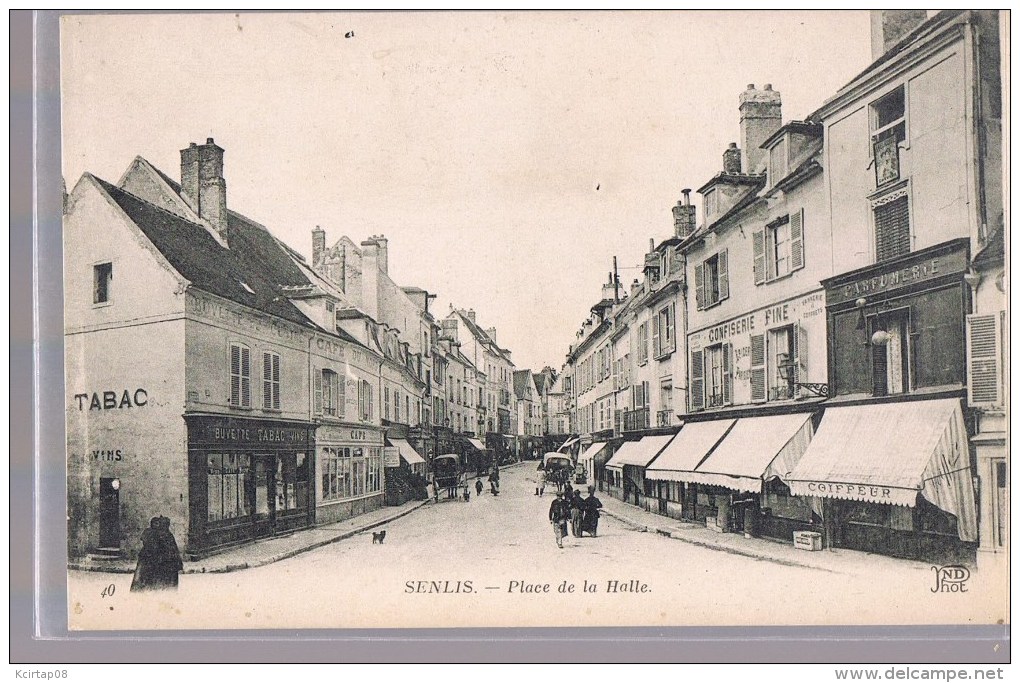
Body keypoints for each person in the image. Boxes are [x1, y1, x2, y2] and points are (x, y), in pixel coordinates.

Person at [130, 515, 183, 592]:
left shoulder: (162, 534)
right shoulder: (158, 534)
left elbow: (173, 550)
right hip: (155, 562)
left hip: (163, 563)